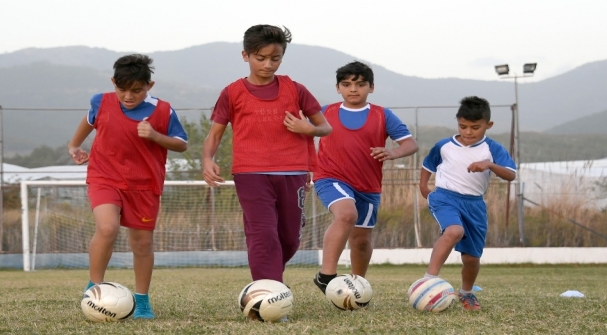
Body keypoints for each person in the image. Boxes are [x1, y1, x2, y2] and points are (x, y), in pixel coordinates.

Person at [202, 24, 332, 284]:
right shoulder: (232, 92)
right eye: (260, 58)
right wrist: (207, 159)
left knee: (289, 239)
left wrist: (308, 128)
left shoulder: (296, 89)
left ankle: (267, 278)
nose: (268, 64)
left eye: (275, 58)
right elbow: (215, 134)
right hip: (251, 173)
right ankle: (268, 292)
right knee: (263, 234)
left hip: (292, 172)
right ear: (245, 56)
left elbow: (325, 127)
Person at [68, 54, 188, 319]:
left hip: (144, 185)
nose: (129, 96)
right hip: (105, 176)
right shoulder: (100, 101)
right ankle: (94, 288)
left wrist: (156, 136)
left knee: (142, 244)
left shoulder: (164, 110)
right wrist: (74, 146)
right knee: (107, 227)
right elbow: (89, 122)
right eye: (122, 89)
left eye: (136, 90)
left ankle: (142, 301)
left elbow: (182, 143)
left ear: (149, 86)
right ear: (113, 83)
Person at [312, 61, 418, 293]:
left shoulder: (382, 115)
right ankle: (326, 275)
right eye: (347, 84)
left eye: (360, 84)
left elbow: (410, 143)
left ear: (371, 87)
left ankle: (356, 285)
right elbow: (300, 133)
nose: (353, 89)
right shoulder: (324, 112)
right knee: (346, 213)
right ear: (337, 87)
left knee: (361, 241)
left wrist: (394, 152)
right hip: (330, 177)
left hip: (368, 186)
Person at [419, 96, 516, 311]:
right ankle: (429, 280)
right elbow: (428, 164)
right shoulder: (444, 146)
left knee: (471, 258)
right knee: (453, 231)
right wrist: (424, 187)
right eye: (463, 126)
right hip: (445, 197)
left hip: (474, 204)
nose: (468, 132)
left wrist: (489, 164)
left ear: (488, 125)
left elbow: (510, 175)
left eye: (475, 127)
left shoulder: (492, 149)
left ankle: (466, 293)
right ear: (457, 123)